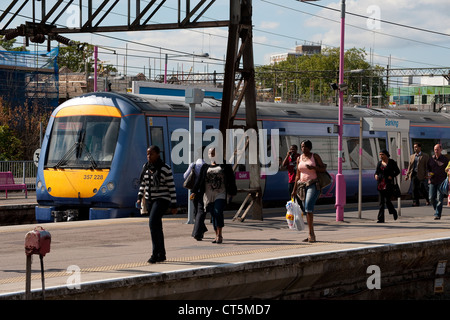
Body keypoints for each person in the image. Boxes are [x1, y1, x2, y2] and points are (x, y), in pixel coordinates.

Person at [137, 145, 177, 263]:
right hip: (150, 200)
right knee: (157, 227)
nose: (148, 156)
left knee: (153, 223)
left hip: (162, 199)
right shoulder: (146, 167)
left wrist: (174, 205)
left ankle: (155, 254)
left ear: (158, 154)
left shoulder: (165, 168)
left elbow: (171, 187)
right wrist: (139, 197)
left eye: (151, 154)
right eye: (147, 154)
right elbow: (143, 184)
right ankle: (162, 254)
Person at [192, 147, 237, 244]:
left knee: (217, 211)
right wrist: (194, 191)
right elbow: (200, 180)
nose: (211, 155)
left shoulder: (225, 165)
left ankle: (219, 235)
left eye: (213, 153)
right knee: (213, 215)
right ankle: (216, 234)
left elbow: (231, 178)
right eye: (210, 153)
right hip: (208, 195)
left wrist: (232, 191)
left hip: (220, 193)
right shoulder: (205, 166)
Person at [291, 140, 325, 243]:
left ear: (309, 148)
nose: (303, 149)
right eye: (302, 147)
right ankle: (311, 233)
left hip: (313, 184)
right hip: (302, 186)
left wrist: (314, 168)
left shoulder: (315, 156)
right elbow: (297, 174)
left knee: (308, 207)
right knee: (306, 209)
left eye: (305, 147)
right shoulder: (299, 158)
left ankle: (311, 234)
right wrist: (294, 189)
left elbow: (323, 169)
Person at [184, 147, 206, 241]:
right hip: (204, 191)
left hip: (193, 191)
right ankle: (198, 233)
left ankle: (200, 231)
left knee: (197, 211)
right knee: (201, 212)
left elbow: (185, 176)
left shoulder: (193, 164)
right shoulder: (207, 165)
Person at [374, 149, 400, 223]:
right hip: (380, 185)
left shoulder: (392, 162)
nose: (381, 156)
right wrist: (375, 176)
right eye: (380, 155)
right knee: (381, 202)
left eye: (382, 154)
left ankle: (394, 212)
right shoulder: (379, 163)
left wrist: (391, 176)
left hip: (388, 184)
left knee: (387, 201)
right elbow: (376, 172)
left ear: (386, 155)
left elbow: (398, 171)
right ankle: (381, 219)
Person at [427, 144, 449, 220]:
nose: (436, 151)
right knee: (431, 198)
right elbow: (428, 169)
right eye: (435, 149)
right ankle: (437, 209)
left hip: (441, 181)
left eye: (437, 149)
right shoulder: (431, 159)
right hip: (432, 181)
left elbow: (448, 169)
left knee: (440, 198)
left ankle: (437, 214)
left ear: (441, 149)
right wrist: (428, 174)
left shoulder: (445, 159)